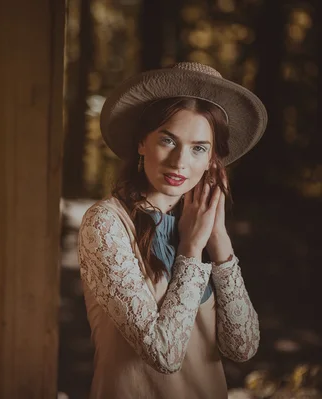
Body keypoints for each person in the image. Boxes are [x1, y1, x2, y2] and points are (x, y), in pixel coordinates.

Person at [77, 62, 267, 399]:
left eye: (198, 148)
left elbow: (243, 346)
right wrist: (191, 250)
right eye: (168, 140)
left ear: (213, 160)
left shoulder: (199, 223)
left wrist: (218, 240)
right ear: (142, 143)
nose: (181, 162)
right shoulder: (105, 223)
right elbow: (163, 354)